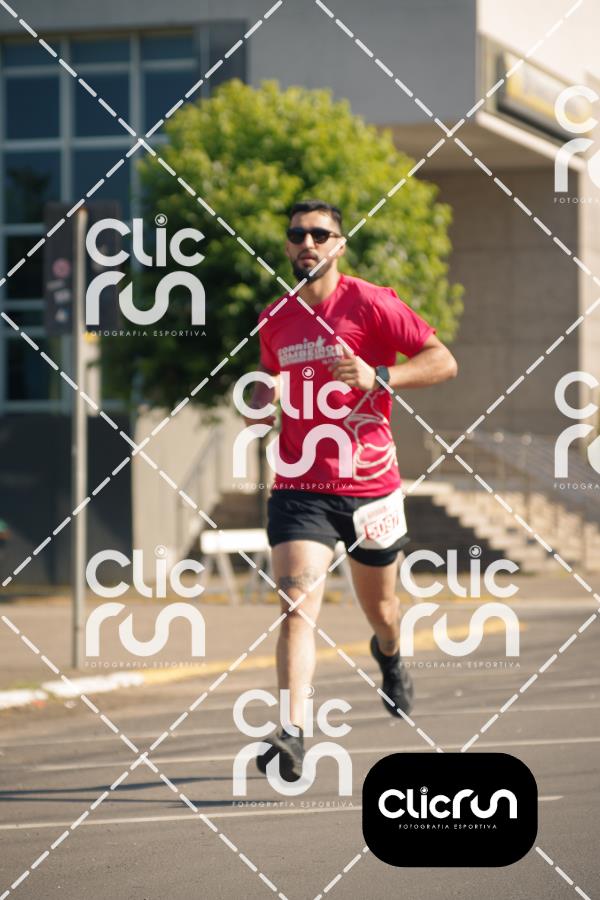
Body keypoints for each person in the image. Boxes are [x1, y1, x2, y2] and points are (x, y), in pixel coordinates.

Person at [243, 199, 458, 780]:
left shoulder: (371, 302)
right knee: (296, 607)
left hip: (370, 487)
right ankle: (293, 732)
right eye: (297, 234)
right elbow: (267, 384)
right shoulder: (275, 317)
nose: (307, 243)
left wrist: (379, 375)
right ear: (287, 246)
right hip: (300, 486)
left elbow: (442, 361)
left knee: (381, 610)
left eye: (320, 234)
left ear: (339, 244)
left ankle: (389, 654)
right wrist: (259, 404)